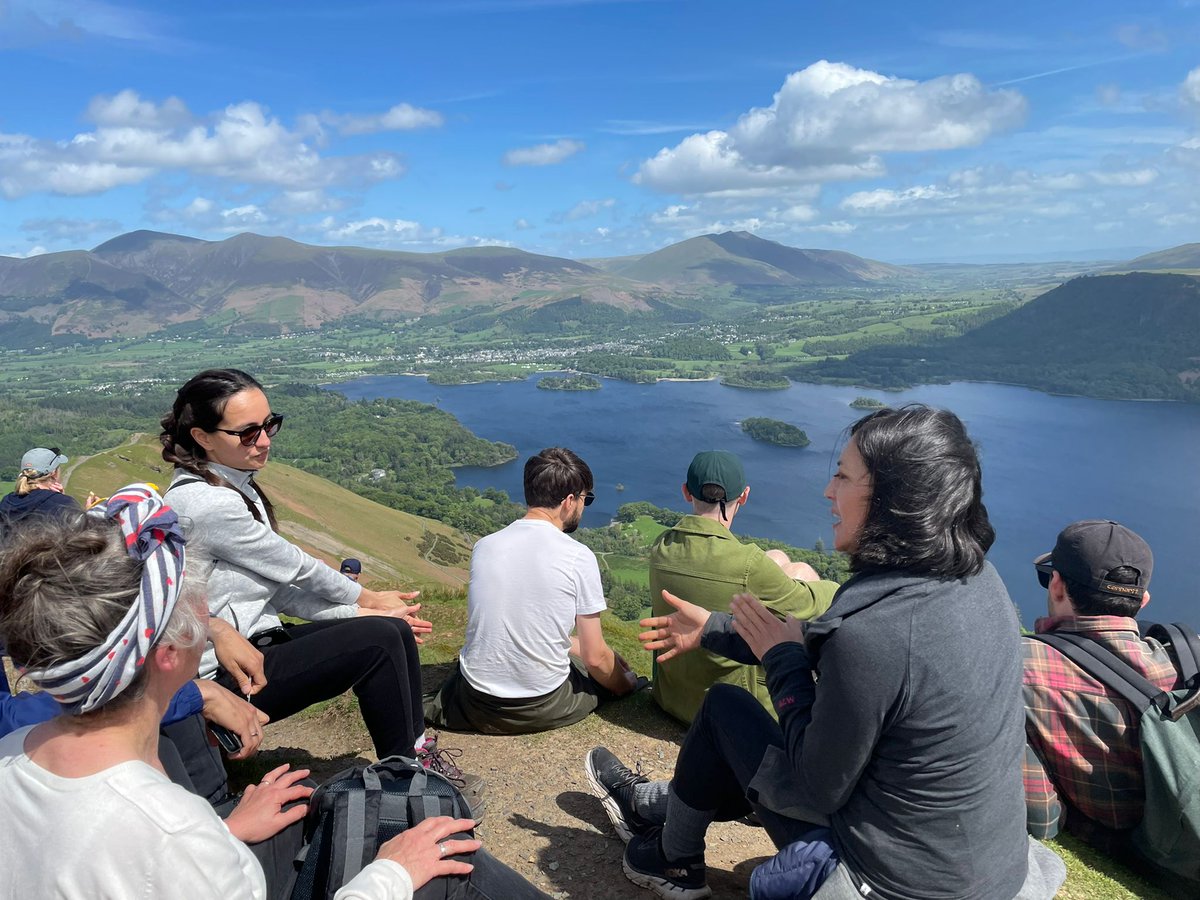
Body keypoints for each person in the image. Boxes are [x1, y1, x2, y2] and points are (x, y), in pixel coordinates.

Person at [586, 405, 1064, 900]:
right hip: (983, 869)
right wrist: (714, 628)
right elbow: (822, 632)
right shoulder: (976, 580)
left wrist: (783, 663)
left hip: (891, 882)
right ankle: (656, 805)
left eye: (842, 476)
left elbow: (816, 785)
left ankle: (671, 857)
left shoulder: (878, 634)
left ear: (890, 499)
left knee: (725, 709)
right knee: (741, 732)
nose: (827, 492)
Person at [0, 485, 546, 900]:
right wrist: (393, 874)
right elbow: (166, 855)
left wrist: (227, 828)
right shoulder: (177, 838)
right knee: (431, 846)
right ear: (168, 655)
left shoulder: (12, 759)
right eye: (195, 601)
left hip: (211, 835)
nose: (208, 612)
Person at [160, 369, 480, 807]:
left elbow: (281, 591)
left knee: (389, 632)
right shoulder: (206, 504)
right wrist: (364, 598)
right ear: (203, 436)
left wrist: (367, 615)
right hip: (223, 677)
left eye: (269, 424)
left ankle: (415, 757)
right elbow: (295, 567)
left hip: (253, 649)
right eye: (247, 432)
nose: (264, 440)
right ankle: (408, 786)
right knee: (382, 641)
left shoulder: (231, 484)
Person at [424, 447, 639, 735]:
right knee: (603, 677)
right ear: (569, 501)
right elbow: (596, 657)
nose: (584, 508)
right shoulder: (577, 556)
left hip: (473, 701)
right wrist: (629, 684)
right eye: (586, 499)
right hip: (540, 705)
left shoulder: (485, 546)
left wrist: (574, 645)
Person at [1022, 520, 1185, 855]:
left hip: (1139, 849)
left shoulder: (1019, 666)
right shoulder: (1186, 664)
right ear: (1144, 601)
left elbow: (1041, 817)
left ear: (1056, 585)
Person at [649, 450, 838, 723]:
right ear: (745, 496)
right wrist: (835, 587)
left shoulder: (660, 548)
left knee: (777, 558)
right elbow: (808, 604)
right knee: (802, 572)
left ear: (686, 492)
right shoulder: (748, 563)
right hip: (731, 709)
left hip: (672, 697)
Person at [0, 446, 100, 536]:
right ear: (53, 473)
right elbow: (83, 537)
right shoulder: (62, 503)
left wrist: (59, 498)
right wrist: (90, 514)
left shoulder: (6, 502)